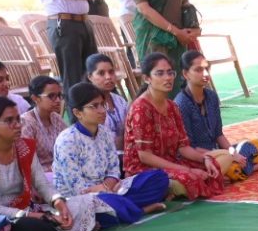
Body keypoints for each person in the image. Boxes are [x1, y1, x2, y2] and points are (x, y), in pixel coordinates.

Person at [0, 95, 85, 231]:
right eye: (9, 121)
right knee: (37, 227)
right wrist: (39, 216)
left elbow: (42, 184)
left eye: (18, 119)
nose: (17, 125)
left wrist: (59, 203)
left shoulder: (23, 146)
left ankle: (64, 225)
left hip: (26, 208)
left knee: (78, 206)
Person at [52, 80, 170, 222]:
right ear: (77, 112)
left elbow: (114, 167)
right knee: (105, 205)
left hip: (110, 189)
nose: (102, 110)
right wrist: (103, 189)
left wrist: (108, 184)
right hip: (83, 200)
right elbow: (77, 188)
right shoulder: (67, 141)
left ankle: (125, 208)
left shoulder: (104, 132)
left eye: (102, 104)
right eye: (94, 106)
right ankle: (140, 209)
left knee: (159, 178)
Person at [124, 51, 227, 199]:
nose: (167, 78)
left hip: (171, 162)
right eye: (160, 73)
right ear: (147, 78)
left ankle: (175, 188)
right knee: (189, 178)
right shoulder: (141, 108)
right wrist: (187, 170)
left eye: (170, 73)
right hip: (145, 169)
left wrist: (204, 159)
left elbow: (183, 147)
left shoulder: (172, 107)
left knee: (215, 163)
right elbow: (145, 156)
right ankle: (171, 188)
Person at [174, 50, 258, 181]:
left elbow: (219, 135)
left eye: (206, 68)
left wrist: (233, 153)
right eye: (198, 70)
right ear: (186, 74)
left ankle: (239, 166)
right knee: (230, 168)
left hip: (220, 152)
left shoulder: (211, 96)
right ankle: (248, 168)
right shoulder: (181, 104)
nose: (205, 73)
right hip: (199, 157)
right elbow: (187, 147)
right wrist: (226, 155)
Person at [21, 74, 67, 170]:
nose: (58, 100)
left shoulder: (56, 118)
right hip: (41, 174)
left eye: (59, 95)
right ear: (35, 98)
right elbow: (28, 162)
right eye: (51, 96)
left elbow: (69, 144)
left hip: (61, 168)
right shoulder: (26, 122)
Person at [85, 53, 130, 148]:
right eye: (101, 73)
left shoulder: (119, 100)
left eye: (111, 72)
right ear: (90, 77)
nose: (108, 77)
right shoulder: (88, 106)